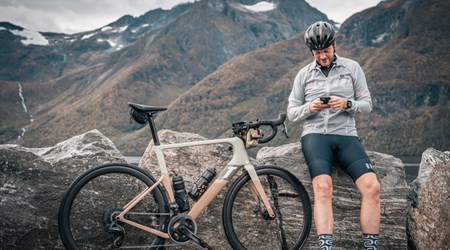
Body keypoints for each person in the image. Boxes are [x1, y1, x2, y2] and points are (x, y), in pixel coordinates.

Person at [287, 21, 380, 250]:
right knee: (323, 187)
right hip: (316, 136)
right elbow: (291, 113)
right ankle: (326, 247)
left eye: (326, 51)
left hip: (346, 135)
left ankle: (370, 246)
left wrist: (348, 103)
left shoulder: (352, 68)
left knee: (372, 186)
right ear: (311, 52)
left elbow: (367, 104)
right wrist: (311, 107)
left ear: (334, 45)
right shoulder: (304, 75)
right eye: (318, 53)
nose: (323, 57)